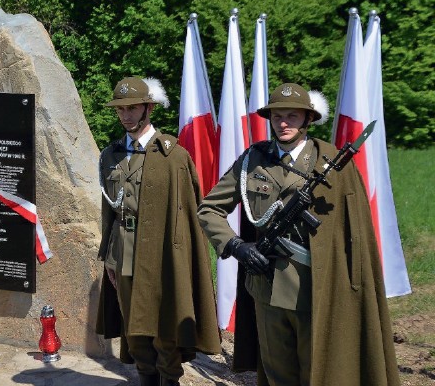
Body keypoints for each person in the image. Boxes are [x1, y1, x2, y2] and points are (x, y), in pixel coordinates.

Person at [197, 83, 400, 386]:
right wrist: (236, 246)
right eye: (277, 116)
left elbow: (355, 230)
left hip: (317, 288)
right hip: (267, 287)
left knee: (321, 373)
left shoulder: (332, 163)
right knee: (280, 375)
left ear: (307, 120)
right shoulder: (253, 160)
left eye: (292, 116)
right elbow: (209, 208)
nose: (283, 123)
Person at [95, 76, 221, 386]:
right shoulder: (111, 156)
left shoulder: (173, 156)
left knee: (165, 326)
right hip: (123, 250)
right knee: (134, 326)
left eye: (133, 108)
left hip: (164, 251)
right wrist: (109, 256)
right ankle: (146, 379)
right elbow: (108, 211)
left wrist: (184, 261)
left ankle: (169, 380)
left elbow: (190, 215)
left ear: (148, 108)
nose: (126, 115)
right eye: (121, 109)